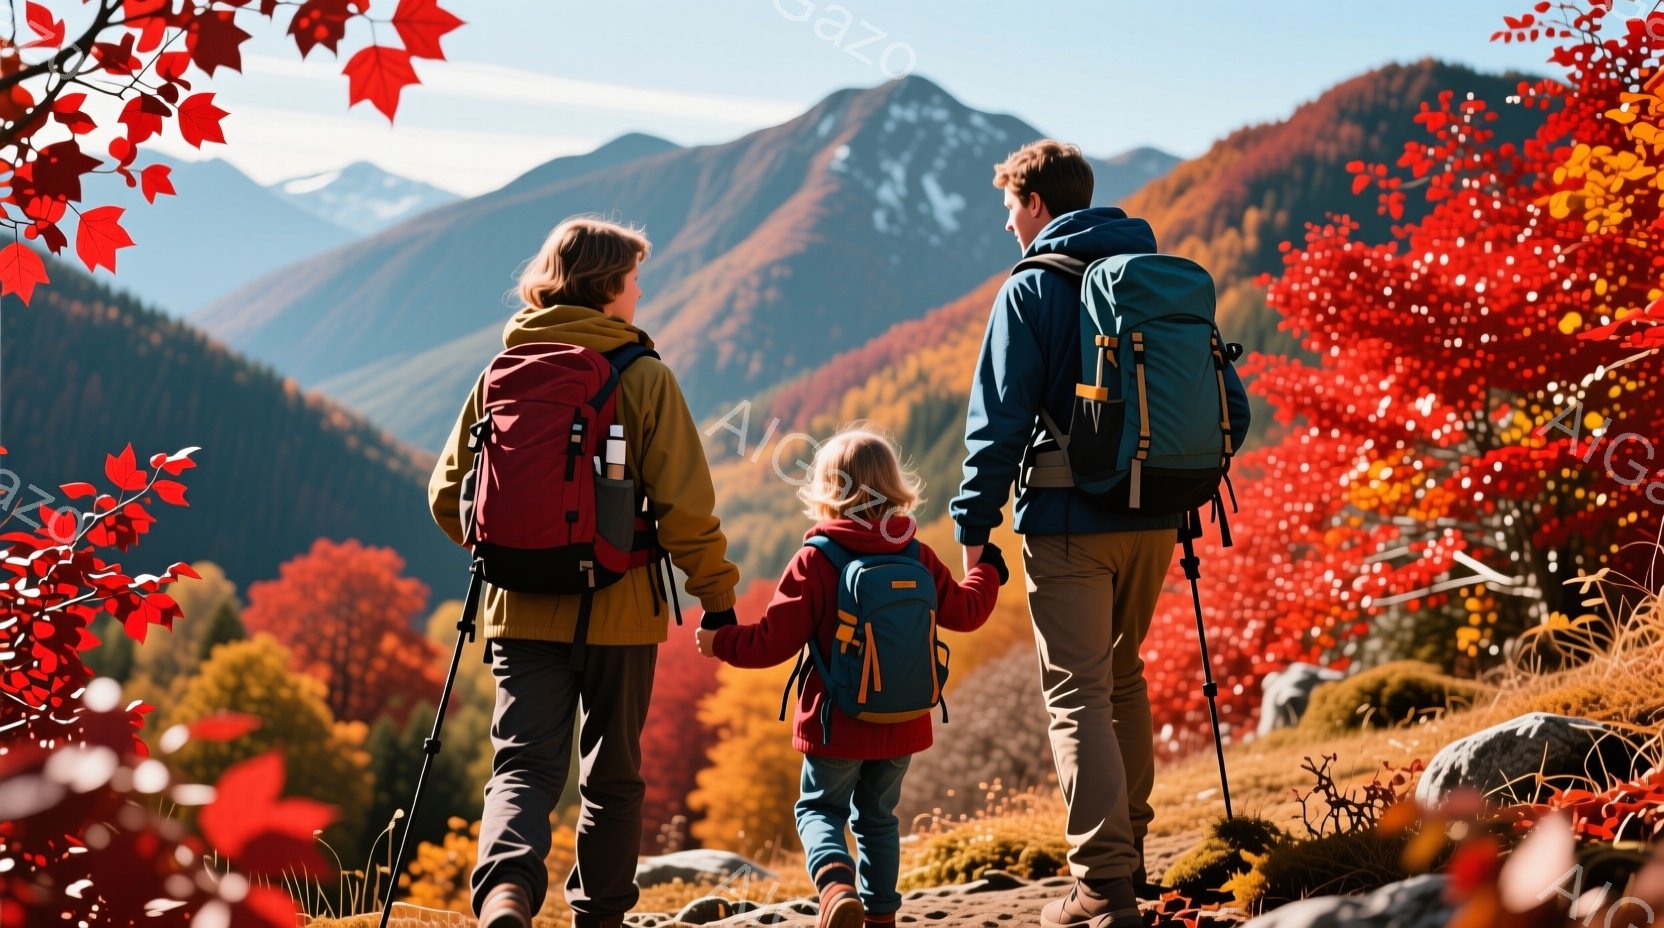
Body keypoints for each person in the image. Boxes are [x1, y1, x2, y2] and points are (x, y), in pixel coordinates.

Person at [950, 140, 1250, 928]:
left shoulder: (1032, 288)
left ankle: (1102, 886)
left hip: (1067, 519)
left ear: (1037, 204)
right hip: (1156, 515)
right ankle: (1133, 859)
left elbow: (998, 422)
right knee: (1124, 680)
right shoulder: (1156, 277)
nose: (1008, 225)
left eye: (1010, 208)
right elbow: (1234, 408)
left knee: (1076, 692)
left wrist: (972, 526)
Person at [428, 216, 741, 928]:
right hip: (620, 608)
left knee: (523, 768)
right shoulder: (644, 375)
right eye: (633, 280)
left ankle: (505, 897)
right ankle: (601, 917)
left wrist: (511, 552)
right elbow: (686, 508)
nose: (639, 294)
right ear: (607, 287)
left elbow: (448, 498)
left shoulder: (499, 371)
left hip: (518, 607)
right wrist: (716, 600)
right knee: (612, 776)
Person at [695, 424, 1006, 928]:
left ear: (827, 491)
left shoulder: (815, 561)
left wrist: (718, 642)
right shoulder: (916, 555)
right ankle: (882, 916)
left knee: (818, 810)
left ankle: (837, 889)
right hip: (904, 719)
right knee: (878, 819)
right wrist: (987, 569)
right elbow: (968, 612)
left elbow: (770, 643)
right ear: (894, 487)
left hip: (835, 721)